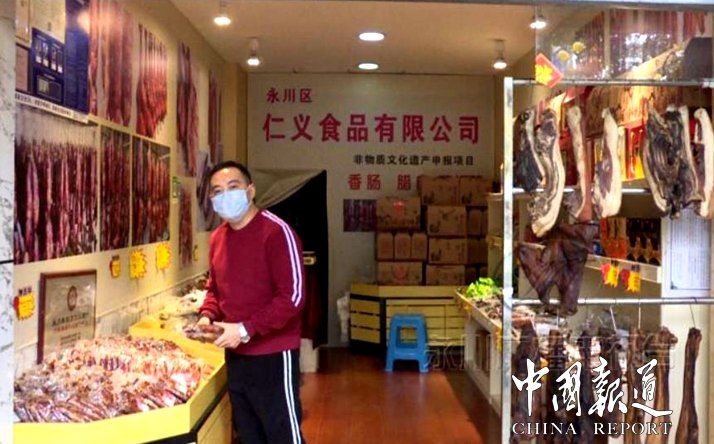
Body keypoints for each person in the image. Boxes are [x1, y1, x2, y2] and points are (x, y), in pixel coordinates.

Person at [198, 160, 306, 444]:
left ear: (250, 191)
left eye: (233, 187)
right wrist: (206, 317)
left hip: (274, 355)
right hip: (236, 356)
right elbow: (214, 289)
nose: (225, 195)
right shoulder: (217, 238)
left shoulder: (276, 232)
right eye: (217, 191)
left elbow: (292, 298)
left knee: (283, 436)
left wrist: (245, 329)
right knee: (248, 435)